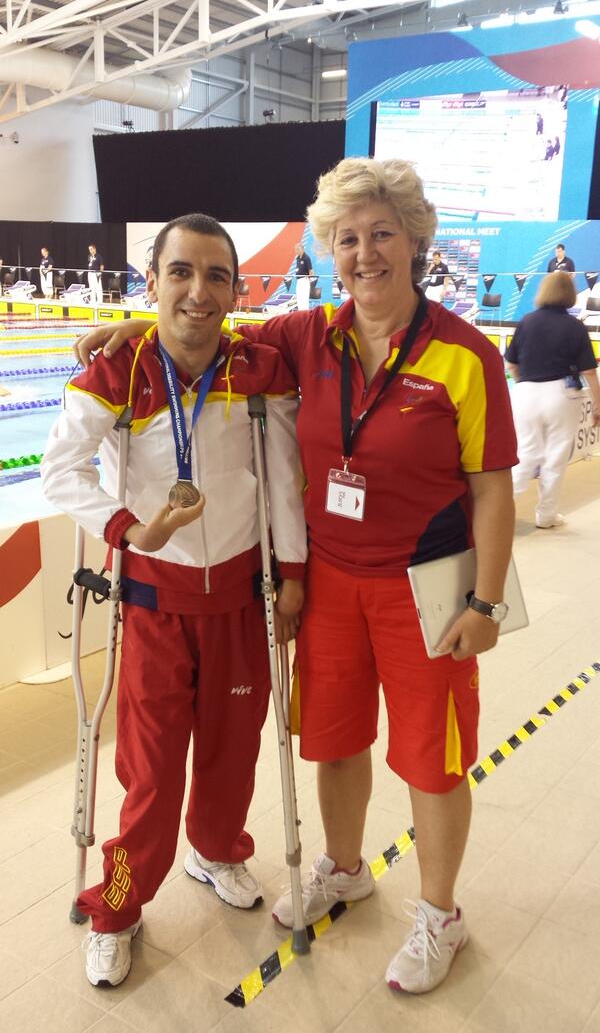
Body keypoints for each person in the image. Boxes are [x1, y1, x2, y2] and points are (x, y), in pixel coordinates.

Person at [74, 158, 517, 996]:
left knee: (431, 761)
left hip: (427, 585)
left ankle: (439, 916)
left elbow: (493, 489)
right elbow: (204, 329)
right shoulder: (308, 333)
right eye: (347, 238)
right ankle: (343, 868)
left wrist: (486, 602)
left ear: (416, 242)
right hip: (329, 585)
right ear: (330, 252)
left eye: (382, 234)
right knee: (337, 743)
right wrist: (141, 329)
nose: (364, 253)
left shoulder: (465, 356)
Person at [42, 213, 306, 988]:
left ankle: (217, 849)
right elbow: (61, 472)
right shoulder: (116, 374)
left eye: (216, 275)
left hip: (240, 599)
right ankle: (118, 906)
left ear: (235, 288)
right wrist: (129, 530)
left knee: (234, 751)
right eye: (180, 273)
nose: (198, 291)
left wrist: (292, 576)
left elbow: (283, 479)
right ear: (150, 281)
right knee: (152, 775)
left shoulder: (260, 369)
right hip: (154, 606)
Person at [505, 270, 600, 528]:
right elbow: (589, 371)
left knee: (524, 454)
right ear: (569, 294)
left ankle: (501, 513)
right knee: (555, 457)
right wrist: (598, 405)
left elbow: (511, 363)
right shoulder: (575, 326)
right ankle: (546, 516)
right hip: (560, 394)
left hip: (525, 393)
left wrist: (525, 380)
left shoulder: (526, 321)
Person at [294, 242, 314, 311]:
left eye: (298, 249)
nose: (296, 251)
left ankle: (305, 314)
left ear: (302, 249)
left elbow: (311, 271)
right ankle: (300, 313)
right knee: (299, 298)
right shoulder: (297, 258)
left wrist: (309, 278)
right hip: (299, 280)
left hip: (305, 280)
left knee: (304, 298)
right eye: (295, 249)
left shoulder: (306, 258)